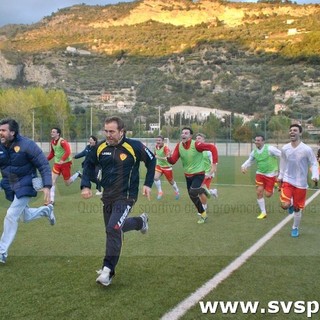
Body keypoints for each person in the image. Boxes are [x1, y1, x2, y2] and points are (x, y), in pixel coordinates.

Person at [81, 116, 156, 287]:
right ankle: (140, 221)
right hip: (108, 196)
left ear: (122, 131)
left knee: (113, 228)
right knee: (114, 229)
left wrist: (148, 184)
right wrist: (85, 185)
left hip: (126, 195)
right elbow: (88, 165)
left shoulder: (134, 146)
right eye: (106, 131)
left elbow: (152, 161)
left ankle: (108, 270)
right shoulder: (100, 147)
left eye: (112, 132)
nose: (108, 135)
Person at [0, 118, 55, 264]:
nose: (1, 133)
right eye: (0, 130)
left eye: (3, 130)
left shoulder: (27, 145)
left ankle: (1, 252)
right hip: (10, 186)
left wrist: (47, 186)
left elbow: (43, 165)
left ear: (12, 132)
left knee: (11, 215)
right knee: (25, 216)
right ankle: (47, 211)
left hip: (26, 183)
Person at [167, 127, 218, 224]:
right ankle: (203, 214)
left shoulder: (197, 145)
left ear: (190, 136)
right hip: (187, 175)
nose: (183, 135)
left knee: (193, 191)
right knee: (192, 196)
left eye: (186, 133)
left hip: (199, 174)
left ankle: (204, 190)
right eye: (182, 133)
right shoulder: (179, 146)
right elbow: (173, 161)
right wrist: (168, 157)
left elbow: (213, 148)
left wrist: (214, 164)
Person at [278, 123, 319, 238]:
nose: (292, 132)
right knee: (284, 205)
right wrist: (280, 176)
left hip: (301, 183)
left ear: (300, 133)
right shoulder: (285, 148)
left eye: (295, 130)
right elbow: (283, 163)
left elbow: (314, 163)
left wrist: (315, 175)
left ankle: (295, 228)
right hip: (287, 180)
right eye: (291, 130)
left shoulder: (306, 149)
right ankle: (289, 203)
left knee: (297, 209)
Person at [241, 135, 281, 219]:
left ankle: (274, 184)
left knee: (268, 195)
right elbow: (250, 160)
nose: (256, 142)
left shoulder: (270, 149)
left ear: (263, 141)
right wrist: (244, 166)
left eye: (258, 140)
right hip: (260, 174)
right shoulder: (254, 152)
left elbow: (281, 154)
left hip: (270, 174)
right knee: (259, 192)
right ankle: (263, 212)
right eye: (255, 140)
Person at [47, 127, 81, 204]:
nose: (52, 133)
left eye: (53, 132)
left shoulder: (62, 142)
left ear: (58, 134)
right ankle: (51, 200)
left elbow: (68, 151)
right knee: (52, 181)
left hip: (65, 164)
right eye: (51, 131)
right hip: (57, 164)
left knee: (67, 183)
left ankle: (77, 174)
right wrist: (45, 160)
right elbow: (52, 153)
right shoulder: (52, 142)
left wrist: (62, 160)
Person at [195, 133, 218, 210]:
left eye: (199, 138)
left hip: (207, 173)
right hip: (199, 173)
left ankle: (204, 207)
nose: (197, 140)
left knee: (200, 190)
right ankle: (212, 192)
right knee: (202, 190)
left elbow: (214, 164)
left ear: (203, 140)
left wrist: (210, 173)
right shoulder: (196, 150)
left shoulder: (208, 151)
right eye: (196, 138)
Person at [153, 135, 180, 200]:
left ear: (163, 141)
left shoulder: (165, 148)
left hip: (167, 167)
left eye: (159, 140)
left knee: (171, 182)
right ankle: (160, 192)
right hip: (159, 165)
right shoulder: (156, 147)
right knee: (155, 177)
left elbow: (167, 158)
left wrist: (160, 157)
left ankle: (177, 191)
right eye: (157, 140)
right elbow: (155, 155)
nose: (158, 141)